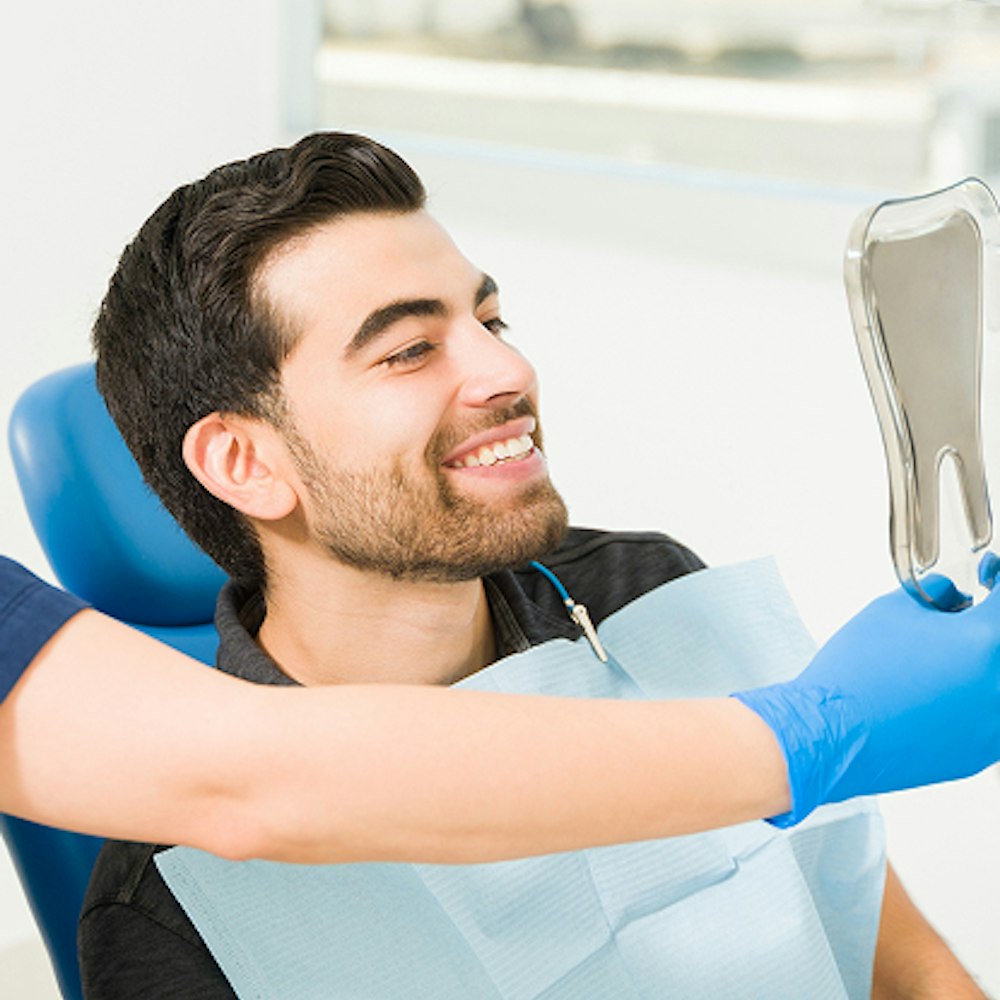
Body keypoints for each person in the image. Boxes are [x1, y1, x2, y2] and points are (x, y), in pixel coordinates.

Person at [65, 132, 994, 997]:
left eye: (492, 319)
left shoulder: (647, 596)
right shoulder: (180, 901)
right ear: (247, 463)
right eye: (410, 350)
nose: (507, 372)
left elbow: (889, 955)